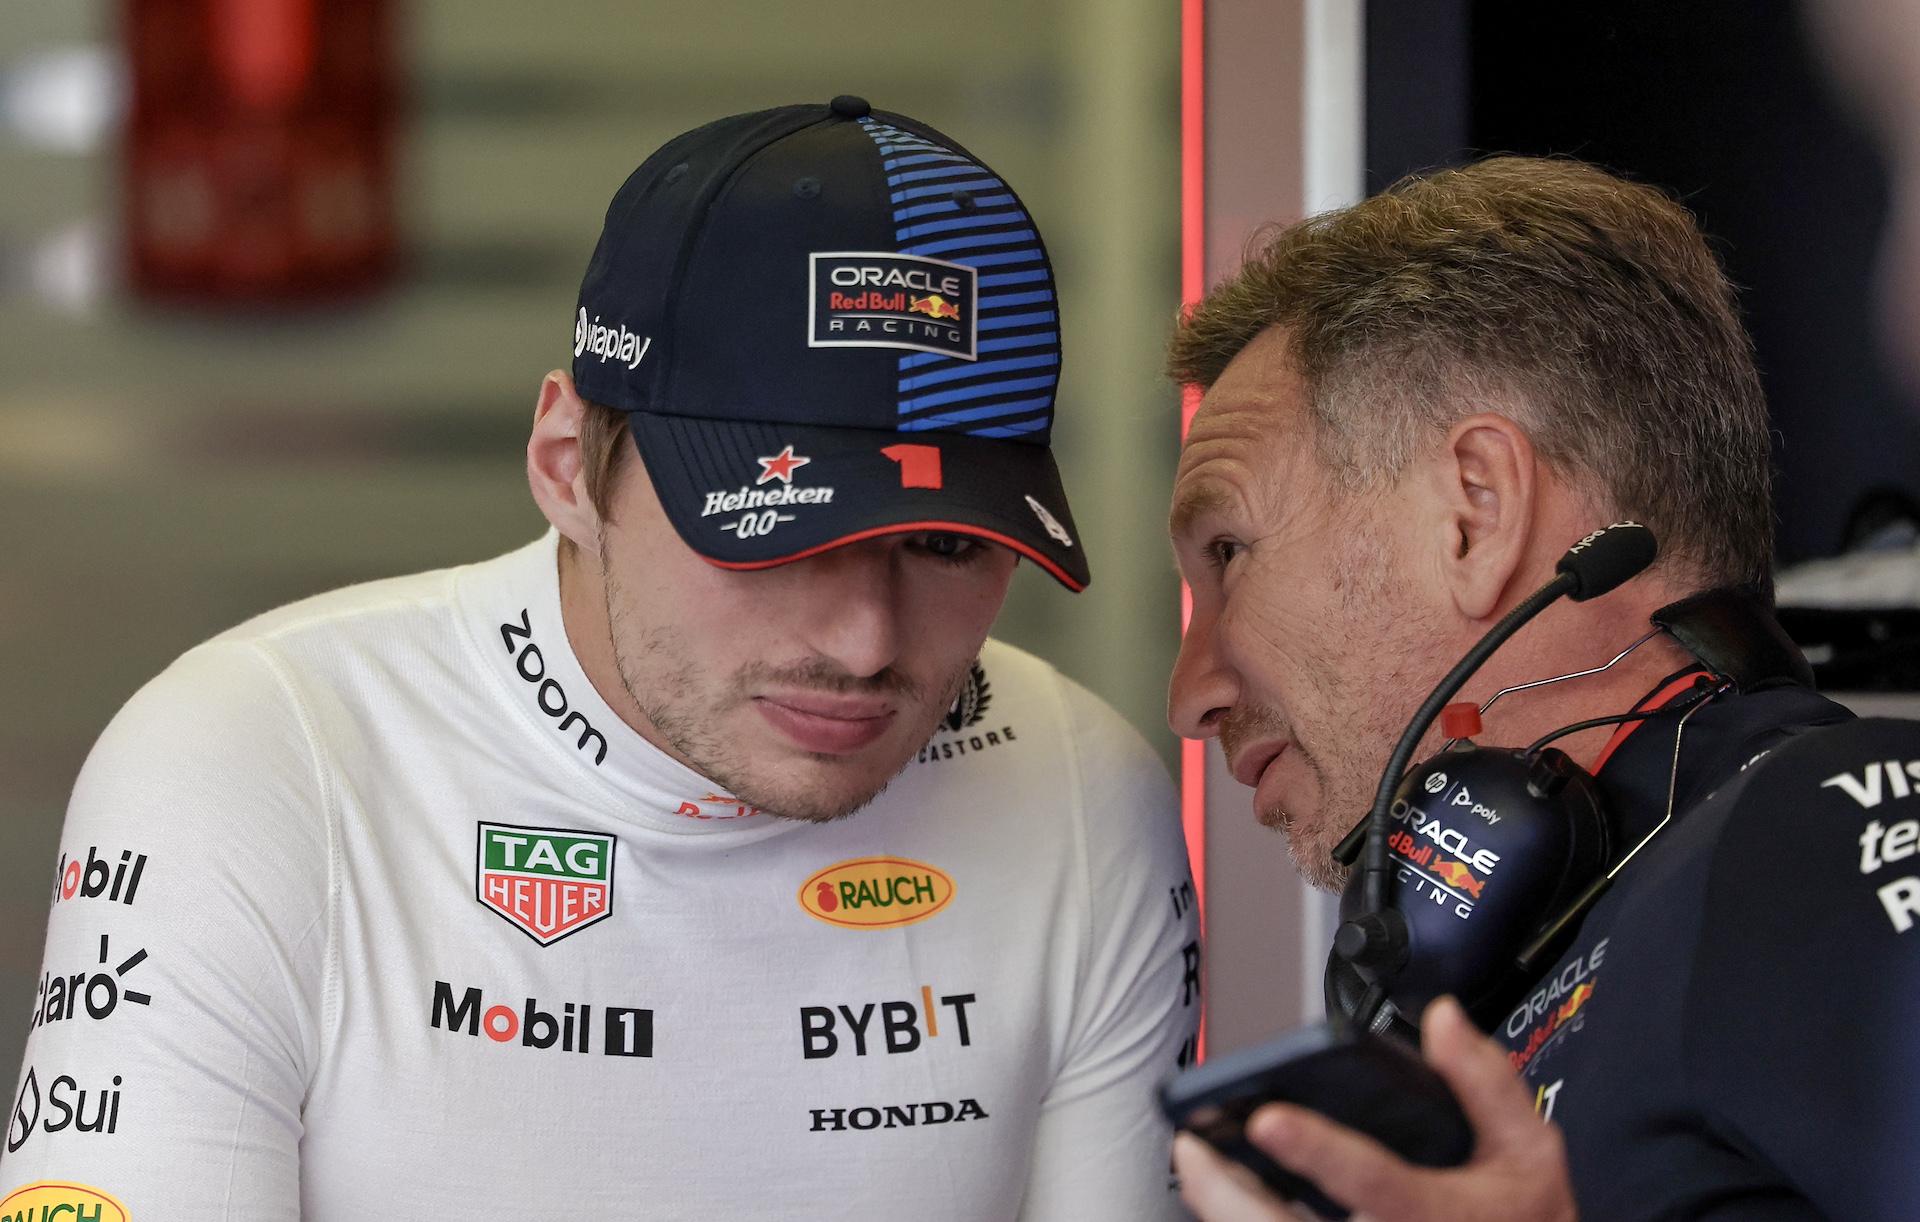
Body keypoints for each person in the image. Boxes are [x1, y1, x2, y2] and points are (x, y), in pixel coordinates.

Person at [0, 98, 1200, 1221]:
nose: (867, 642)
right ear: (570, 466)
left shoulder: (1083, 793)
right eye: (773, 533)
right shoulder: (253, 760)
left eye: (945, 545)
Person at [1162, 157, 1918, 1221]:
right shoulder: (1565, 932)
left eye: (1230, 551)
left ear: (1475, 511)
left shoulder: (1812, 834)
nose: (1188, 694)